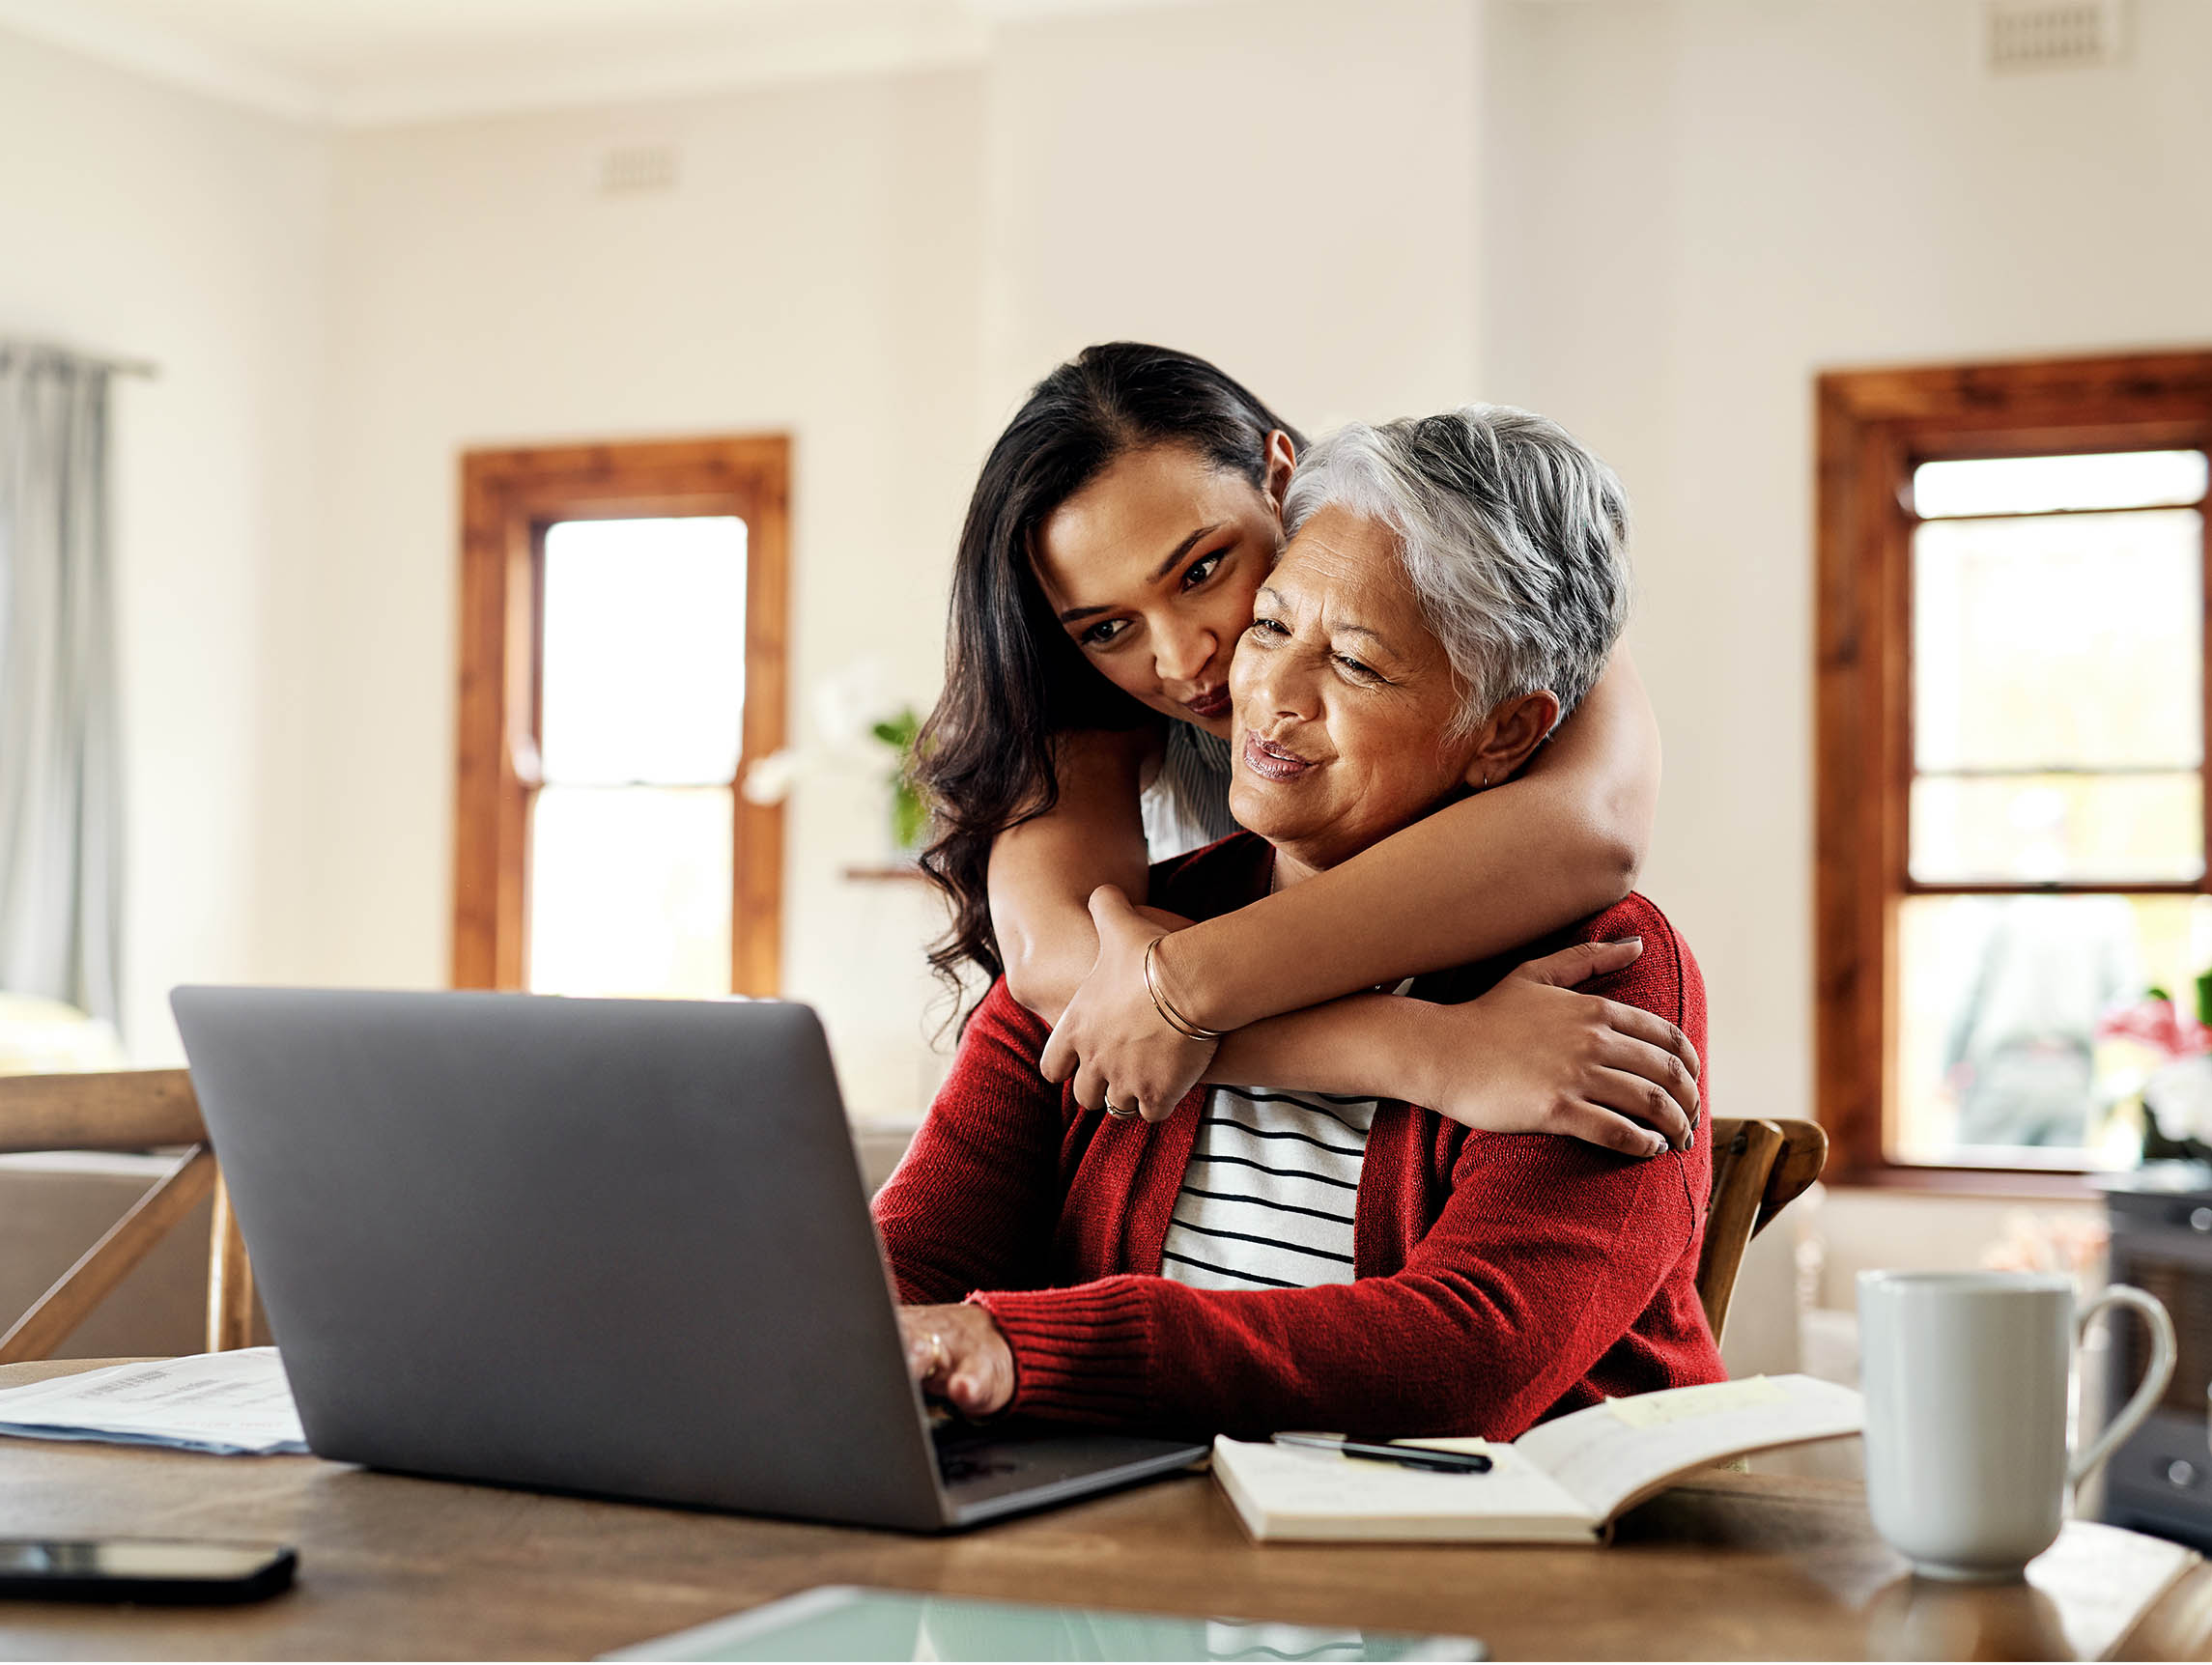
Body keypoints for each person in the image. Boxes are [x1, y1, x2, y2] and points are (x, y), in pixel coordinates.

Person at [875, 406, 1723, 1438]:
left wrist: (1030, 1347)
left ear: (1504, 733)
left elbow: (1469, 1356)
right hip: (1158, 1565)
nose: (1262, 692)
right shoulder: (1128, 942)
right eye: (1270, 626)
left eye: (1357, 664)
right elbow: (906, 1264)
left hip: (1509, 1574)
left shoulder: (1609, 968)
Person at [915, 343, 1700, 1156]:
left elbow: (1590, 830)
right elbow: (1061, 967)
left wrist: (1183, 987)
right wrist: (1426, 1051)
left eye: (1202, 570)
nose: (1185, 661)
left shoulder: (1475, 566)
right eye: (1110, 628)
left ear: (1280, 478)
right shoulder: (1087, 708)